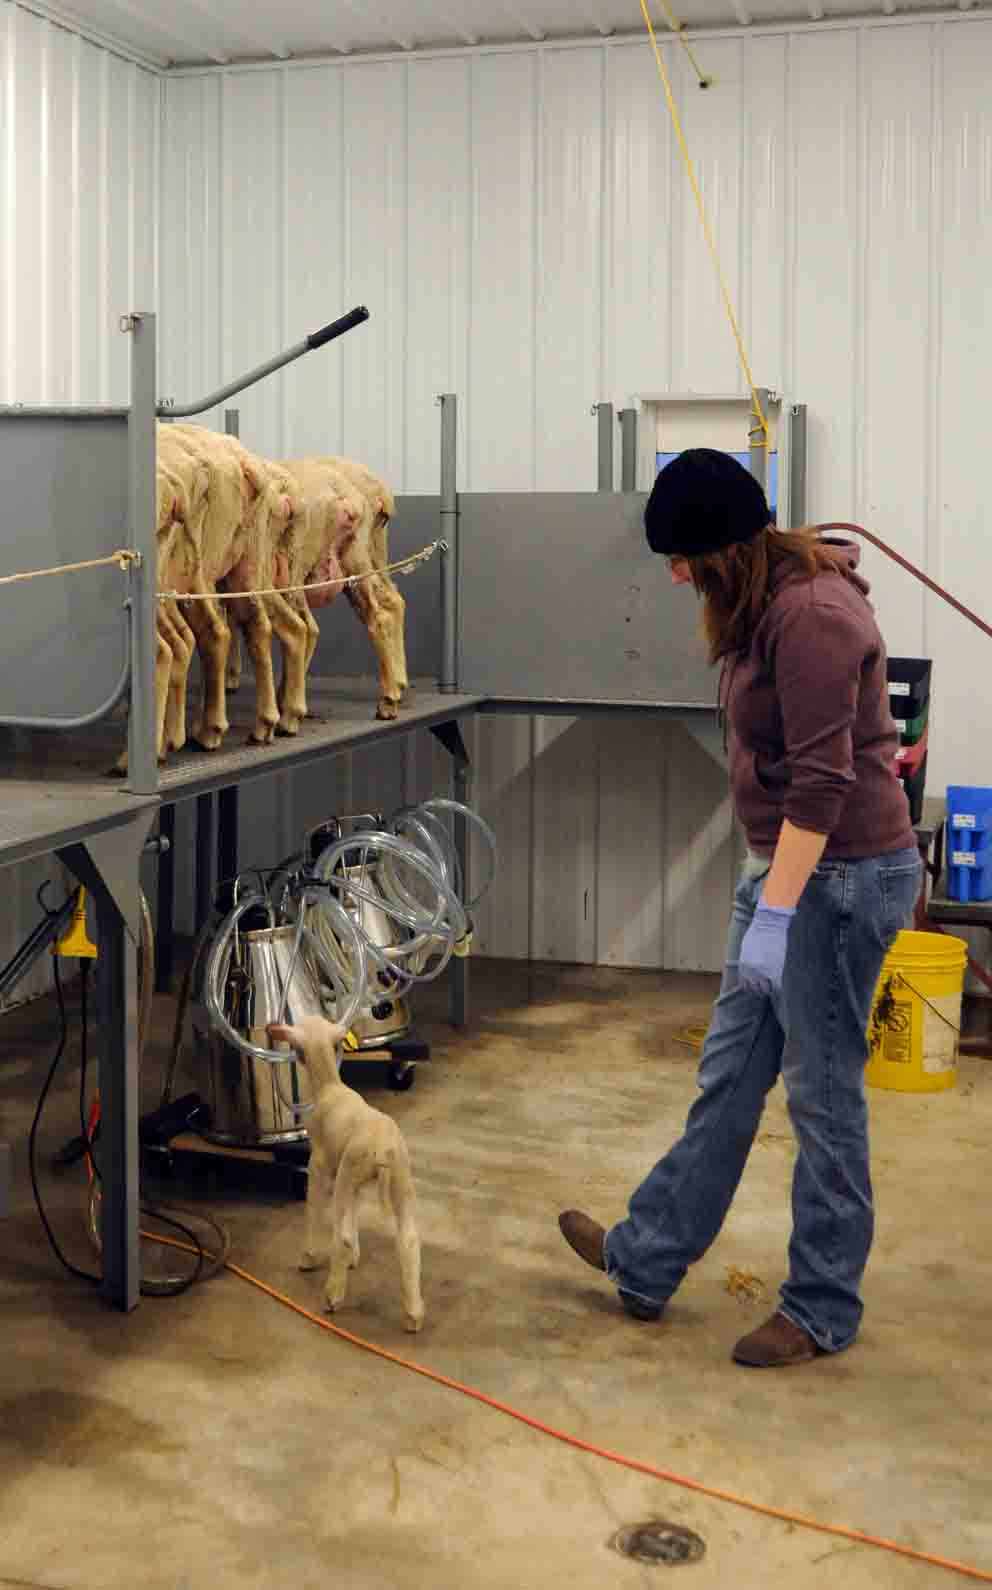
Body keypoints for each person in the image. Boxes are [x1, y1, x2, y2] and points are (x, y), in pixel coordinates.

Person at [559, 448, 921, 1368]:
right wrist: (770, 897)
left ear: (725, 549)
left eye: (682, 559)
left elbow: (825, 785)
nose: (675, 576)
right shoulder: (763, 608)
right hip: (791, 870)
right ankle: (647, 1257)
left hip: (841, 877)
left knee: (823, 1094)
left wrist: (777, 914)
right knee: (729, 1076)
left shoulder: (813, 616)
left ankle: (822, 1306)